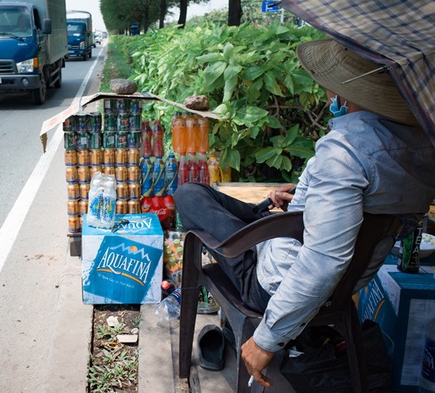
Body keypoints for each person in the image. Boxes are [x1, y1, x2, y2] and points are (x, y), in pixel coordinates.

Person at [173, 39, 435, 388]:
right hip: (344, 286)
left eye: (331, 89)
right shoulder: (420, 148)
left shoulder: (346, 151)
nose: (328, 95)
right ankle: (261, 210)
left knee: (189, 194)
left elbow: (325, 258)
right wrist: (300, 205)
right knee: (229, 202)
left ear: (345, 94)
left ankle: (257, 220)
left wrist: (266, 340)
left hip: (272, 284)